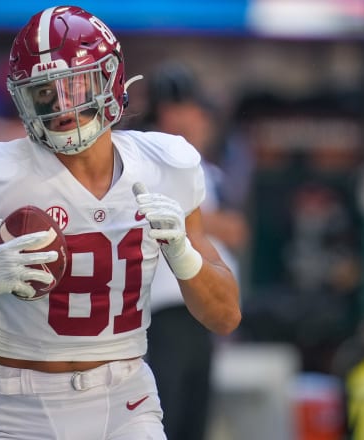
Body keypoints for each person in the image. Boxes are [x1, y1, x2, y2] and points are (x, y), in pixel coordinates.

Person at [0, 6, 241, 439]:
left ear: (109, 77)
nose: (61, 106)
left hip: (126, 399)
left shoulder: (166, 165)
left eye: (74, 84)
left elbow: (225, 316)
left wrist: (183, 255)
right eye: (44, 93)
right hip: (22, 405)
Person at [138, 61, 249, 440]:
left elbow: (238, 230)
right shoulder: (146, 159)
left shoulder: (206, 171)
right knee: (167, 414)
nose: (198, 121)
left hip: (203, 308)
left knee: (194, 417)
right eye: (186, 110)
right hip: (162, 308)